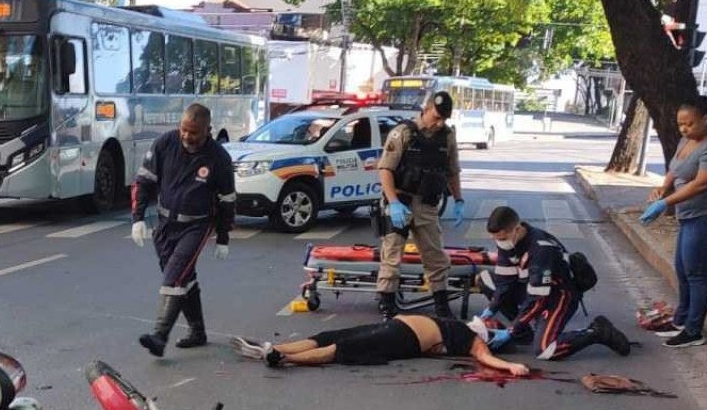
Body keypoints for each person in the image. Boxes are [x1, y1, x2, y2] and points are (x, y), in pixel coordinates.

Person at [131, 103, 236, 357]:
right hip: (166, 224)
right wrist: (137, 218)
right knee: (184, 278)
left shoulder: (219, 158)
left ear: (207, 130)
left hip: (197, 225)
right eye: (184, 130)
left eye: (194, 133)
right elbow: (143, 182)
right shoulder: (164, 144)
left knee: (175, 276)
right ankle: (197, 331)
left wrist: (223, 237)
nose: (188, 136)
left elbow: (227, 201)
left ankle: (160, 335)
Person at [640, 95, 707, 348]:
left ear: (706, 118)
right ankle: (681, 320)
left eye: (690, 123)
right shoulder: (688, 140)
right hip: (690, 216)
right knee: (683, 271)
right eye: (681, 124)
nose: (684, 129)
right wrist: (663, 188)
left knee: (697, 274)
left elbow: (704, 182)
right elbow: (676, 166)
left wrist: (666, 203)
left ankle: (693, 331)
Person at [479, 205, 631, 360]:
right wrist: (490, 310)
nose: (499, 242)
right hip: (533, 287)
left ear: (517, 229)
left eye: (502, 238)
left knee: (545, 350)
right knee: (486, 280)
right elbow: (505, 282)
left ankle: (597, 331)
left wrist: (511, 329)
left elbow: (538, 299)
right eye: (496, 239)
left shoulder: (541, 250)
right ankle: (523, 334)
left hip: (559, 294)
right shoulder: (509, 241)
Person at [376, 91, 467, 319]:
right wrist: (394, 203)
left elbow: (452, 171)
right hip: (400, 200)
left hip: (427, 204)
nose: (440, 122)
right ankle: (387, 306)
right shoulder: (404, 132)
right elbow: (385, 169)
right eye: (436, 116)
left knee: (436, 256)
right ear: (425, 110)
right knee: (392, 255)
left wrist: (458, 199)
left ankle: (441, 306)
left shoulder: (447, 136)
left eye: (444, 118)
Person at [230, 314, 530, 376]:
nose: (491, 322)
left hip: (400, 334)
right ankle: (278, 352)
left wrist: (511, 365)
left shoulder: (471, 338)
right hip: (397, 331)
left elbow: (487, 357)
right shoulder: (464, 329)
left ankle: (278, 354)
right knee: (336, 341)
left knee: (340, 345)